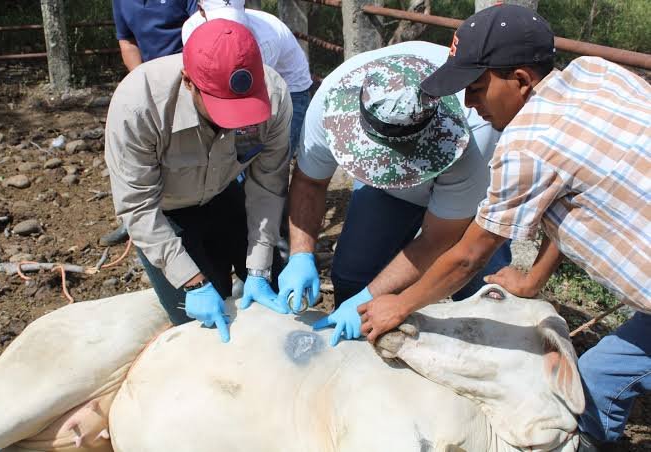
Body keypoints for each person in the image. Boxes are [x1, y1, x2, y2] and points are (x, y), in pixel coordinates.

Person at [359, 5, 650, 450]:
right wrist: (532, 281)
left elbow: (469, 256)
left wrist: (398, 306)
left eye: (476, 89)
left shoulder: (526, 145)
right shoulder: (595, 73)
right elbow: (573, 201)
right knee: (599, 378)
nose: (469, 104)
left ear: (520, 79)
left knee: (594, 386)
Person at [277, 41, 512, 346]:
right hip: (384, 193)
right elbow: (310, 183)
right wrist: (300, 254)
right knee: (352, 276)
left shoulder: (473, 134)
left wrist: (377, 297)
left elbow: (438, 239)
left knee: (479, 292)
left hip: (466, 195)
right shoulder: (331, 101)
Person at [104, 19, 293, 343]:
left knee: (273, 298)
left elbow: (267, 183)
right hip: (167, 212)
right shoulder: (139, 106)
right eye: (224, 108)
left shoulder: (274, 97)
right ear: (189, 82)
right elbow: (138, 206)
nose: (236, 121)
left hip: (224, 194)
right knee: (204, 329)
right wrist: (194, 282)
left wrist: (259, 269)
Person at [102, 0, 199, 246]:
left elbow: (198, 30)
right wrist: (143, 82)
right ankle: (140, 216)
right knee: (143, 148)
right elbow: (127, 41)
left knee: (193, 147)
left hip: (188, 77)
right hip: (151, 82)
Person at [182, 0, 313, 154]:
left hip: (290, 89)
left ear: (244, 8)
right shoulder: (191, 29)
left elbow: (250, 93)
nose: (228, 30)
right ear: (201, 10)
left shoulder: (265, 40)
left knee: (275, 151)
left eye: (234, 21)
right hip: (252, 79)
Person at [112, 0, 198, 71]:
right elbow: (128, 42)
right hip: (151, 72)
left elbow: (200, 29)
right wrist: (141, 78)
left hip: (186, 65)